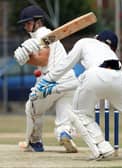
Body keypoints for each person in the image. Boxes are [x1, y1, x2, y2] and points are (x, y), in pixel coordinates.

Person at [27, 29, 122, 161]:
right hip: (120, 76)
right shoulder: (112, 55)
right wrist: (54, 88)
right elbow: (83, 82)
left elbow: (65, 66)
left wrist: (45, 83)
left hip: (94, 76)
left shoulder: (85, 42)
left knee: (80, 113)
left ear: (97, 38)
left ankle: (102, 146)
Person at [14, 5, 79, 153]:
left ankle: (35, 142)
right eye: (24, 24)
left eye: (28, 23)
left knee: (31, 108)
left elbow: (43, 60)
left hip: (51, 80)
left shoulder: (43, 34)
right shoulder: (47, 35)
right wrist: (28, 56)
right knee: (64, 114)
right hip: (69, 80)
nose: (26, 26)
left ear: (38, 21)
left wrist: (26, 59)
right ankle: (65, 133)